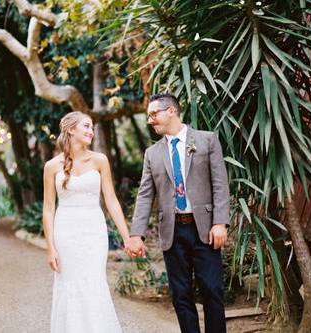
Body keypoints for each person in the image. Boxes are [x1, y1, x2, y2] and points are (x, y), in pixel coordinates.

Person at [125, 93, 231, 333]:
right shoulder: (152, 153)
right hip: (172, 231)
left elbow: (220, 184)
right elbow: (144, 195)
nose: (150, 120)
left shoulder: (206, 140)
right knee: (180, 295)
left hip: (205, 229)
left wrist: (220, 223)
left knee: (212, 290)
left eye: (154, 114)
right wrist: (136, 234)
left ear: (171, 111)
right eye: (149, 116)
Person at [42, 111, 130, 333]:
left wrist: (126, 237)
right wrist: (50, 247)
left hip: (94, 231)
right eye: (87, 127)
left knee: (94, 282)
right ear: (71, 129)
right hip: (66, 233)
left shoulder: (100, 160)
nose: (91, 132)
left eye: (92, 128)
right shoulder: (52, 166)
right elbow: (49, 208)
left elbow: (110, 199)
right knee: (69, 284)